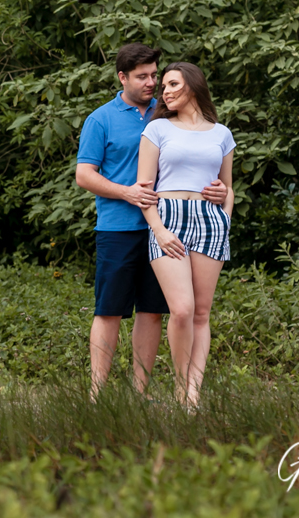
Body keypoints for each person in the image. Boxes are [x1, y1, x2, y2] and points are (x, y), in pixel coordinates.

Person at [76, 45, 227, 401]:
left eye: (154, 75)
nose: (152, 83)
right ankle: (97, 395)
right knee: (109, 309)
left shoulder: (165, 115)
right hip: (119, 227)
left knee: (152, 311)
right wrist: (127, 193)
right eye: (142, 76)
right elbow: (84, 175)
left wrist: (218, 192)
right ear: (122, 78)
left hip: (170, 229)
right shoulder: (102, 119)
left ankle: (139, 394)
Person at [138, 61, 235, 410]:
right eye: (163, 86)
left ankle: (191, 395)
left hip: (210, 221)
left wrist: (224, 217)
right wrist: (159, 231)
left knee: (201, 313)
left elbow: (228, 188)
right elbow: (144, 189)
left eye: (172, 83)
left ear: (193, 85)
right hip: (169, 217)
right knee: (181, 310)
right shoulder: (158, 129)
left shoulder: (221, 133)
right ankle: (180, 385)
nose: (164, 91)